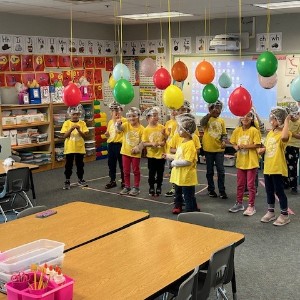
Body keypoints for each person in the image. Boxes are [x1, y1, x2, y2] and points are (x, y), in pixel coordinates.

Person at [258, 107, 291, 226]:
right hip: (268, 167)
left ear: (280, 120)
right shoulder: (271, 133)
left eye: (274, 119)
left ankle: (284, 214)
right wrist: (262, 150)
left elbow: (284, 138)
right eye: (271, 118)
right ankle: (271, 212)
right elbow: (266, 147)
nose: (271, 121)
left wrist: (287, 121)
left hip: (277, 168)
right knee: (269, 191)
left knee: (279, 191)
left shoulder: (285, 133)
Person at [164, 113, 199, 214]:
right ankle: (184, 206)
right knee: (179, 193)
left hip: (186, 177)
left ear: (187, 131)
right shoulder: (183, 142)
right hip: (179, 176)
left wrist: (174, 163)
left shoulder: (190, 145)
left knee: (188, 195)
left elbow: (187, 161)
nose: (178, 129)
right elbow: (180, 156)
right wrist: (169, 156)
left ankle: (190, 211)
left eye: (180, 128)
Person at [165, 100, 201, 197]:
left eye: (184, 110)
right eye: (179, 110)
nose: (182, 112)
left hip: (188, 162)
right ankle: (176, 190)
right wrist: (179, 152)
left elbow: (197, 148)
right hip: (177, 157)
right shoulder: (175, 129)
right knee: (174, 174)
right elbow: (171, 147)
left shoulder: (192, 133)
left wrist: (185, 152)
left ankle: (188, 197)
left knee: (187, 183)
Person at [229, 111, 261, 216]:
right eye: (243, 116)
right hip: (240, 161)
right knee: (240, 184)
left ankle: (251, 206)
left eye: (248, 116)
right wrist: (236, 147)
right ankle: (239, 203)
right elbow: (233, 142)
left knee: (251, 185)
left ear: (252, 119)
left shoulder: (254, 130)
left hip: (251, 162)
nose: (245, 118)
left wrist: (244, 146)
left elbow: (257, 144)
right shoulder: (237, 130)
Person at [200, 100, 228, 199]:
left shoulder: (221, 121)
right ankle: (211, 190)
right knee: (209, 171)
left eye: (219, 109)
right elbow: (202, 123)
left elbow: (224, 134)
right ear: (210, 109)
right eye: (215, 108)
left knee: (221, 171)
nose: (217, 111)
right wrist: (209, 114)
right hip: (208, 149)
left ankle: (222, 190)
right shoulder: (207, 119)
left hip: (219, 150)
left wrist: (224, 141)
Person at [116, 107, 144, 196]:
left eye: (134, 116)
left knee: (136, 170)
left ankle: (136, 187)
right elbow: (118, 131)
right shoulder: (126, 124)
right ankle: (127, 186)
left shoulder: (142, 129)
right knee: (126, 170)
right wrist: (118, 124)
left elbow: (143, 142)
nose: (131, 118)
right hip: (125, 152)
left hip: (135, 154)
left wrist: (138, 148)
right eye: (130, 116)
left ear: (138, 116)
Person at [60, 104, 89, 190]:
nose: (75, 116)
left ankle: (80, 179)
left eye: (77, 114)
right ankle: (67, 180)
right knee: (68, 165)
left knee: (80, 165)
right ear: (70, 115)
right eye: (73, 114)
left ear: (79, 115)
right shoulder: (66, 123)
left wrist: (79, 130)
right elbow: (64, 136)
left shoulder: (82, 123)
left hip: (79, 148)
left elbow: (85, 136)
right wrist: (71, 129)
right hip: (69, 148)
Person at [142, 106, 166, 196]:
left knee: (160, 173)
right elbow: (144, 143)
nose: (156, 117)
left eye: (157, 115)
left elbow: (165, 139)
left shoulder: (162, 127)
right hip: (151, 156)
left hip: (160, 155)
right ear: (148, 118)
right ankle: (151, 187)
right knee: (151, 172)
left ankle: (159, 186)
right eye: (154, 115)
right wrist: (151, 144)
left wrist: (163, 142)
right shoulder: (146, 130)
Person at [104, 101, 126, 189]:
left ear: (121, 110)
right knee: (111, 163)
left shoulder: (124, 121)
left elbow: (120, 131)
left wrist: (118, 122)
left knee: (122, 164)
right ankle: (112, 180)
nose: (116, 112)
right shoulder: (110, 122)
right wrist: (107, 134)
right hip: (111, 144)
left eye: (118, 110)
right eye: (114, 110)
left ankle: (124, 181)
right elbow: (109, 132)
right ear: (111, 112)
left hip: (119, 145)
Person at [284, 103, 300, 194]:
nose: (292, 116)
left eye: (294, 114)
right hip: (285, 146)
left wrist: (290, 133)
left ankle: (294, 186)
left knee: (292, 167)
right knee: (285, 166)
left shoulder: (299, 122)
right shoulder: (287, 121)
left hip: (294, 147)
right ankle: (286, 183)